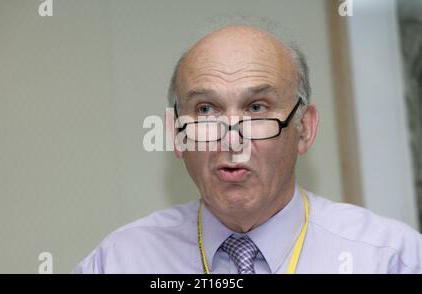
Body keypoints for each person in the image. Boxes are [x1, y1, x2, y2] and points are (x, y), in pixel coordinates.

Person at [72, 22, 422, 274]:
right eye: (206, 110)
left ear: (305, 128)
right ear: (176, 133)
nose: (231, 138)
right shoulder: (119, 262)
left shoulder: (391, 259)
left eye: (257, 108)